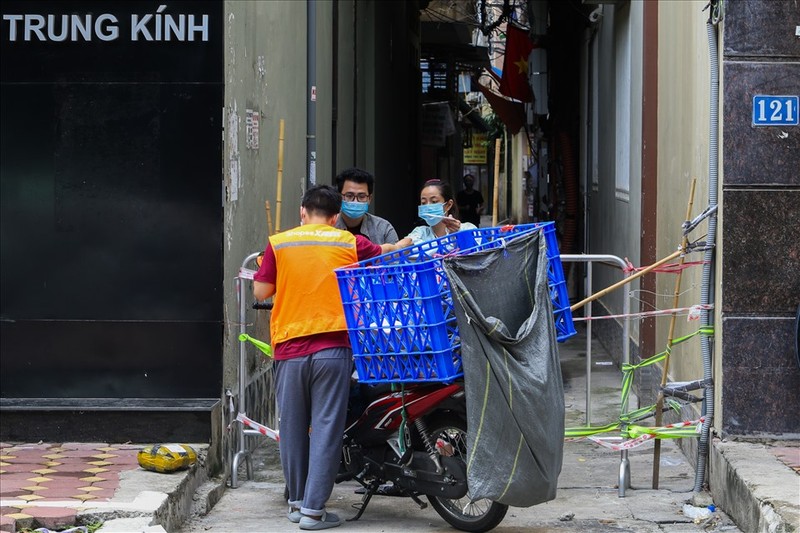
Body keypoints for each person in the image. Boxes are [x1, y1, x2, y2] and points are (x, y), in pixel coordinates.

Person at [252, 185, 402, 530]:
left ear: (303, 211)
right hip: (334, 348)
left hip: (289, 347)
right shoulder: (347, 242)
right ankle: (314, 512)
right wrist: (403, 244)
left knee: (291, 428)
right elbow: (383, 252)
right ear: (336, 217)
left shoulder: (280, 242)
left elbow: (261, 291)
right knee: (325, 429)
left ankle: (295, 502)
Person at [396, 179, 477, 247]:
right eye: (423, 202)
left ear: (448, 205)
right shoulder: (420, 233)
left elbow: (479, 256)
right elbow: (399, 247)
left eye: (434, 201)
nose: (428, 206)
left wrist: (459, 234)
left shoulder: (467, 229)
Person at [333, 167, 399, 245]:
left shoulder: (383, 228)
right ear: (339, 197)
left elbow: (397, 255)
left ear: (369, 199)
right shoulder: (327, 225)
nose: (355, 201)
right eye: (349, 195)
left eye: (361, 196)